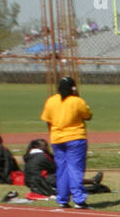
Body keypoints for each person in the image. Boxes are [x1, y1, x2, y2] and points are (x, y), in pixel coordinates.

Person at [39, 76, 93, 208]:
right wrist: (77, 95)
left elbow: (47, 120)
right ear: (73, 88)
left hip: (57, 138)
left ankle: (62, 199)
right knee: (75, 169)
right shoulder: (76, 101)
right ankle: (79, 199)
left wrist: (53, 133)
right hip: (75, 138)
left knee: (62, 169)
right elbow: (88, 115)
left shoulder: (51, 101)